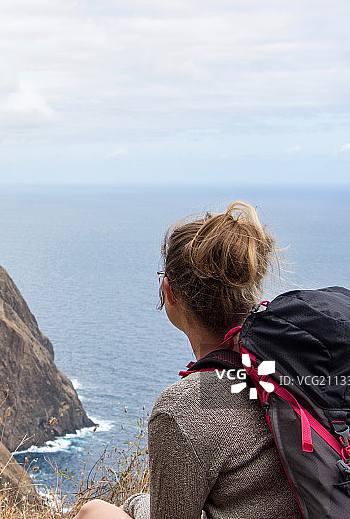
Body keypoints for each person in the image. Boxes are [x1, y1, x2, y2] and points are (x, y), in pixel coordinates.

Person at [75, 201, 301, 519]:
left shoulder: (185, 407)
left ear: (170, 292)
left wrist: (135, 504)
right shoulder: (296, 366)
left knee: (94, 512)